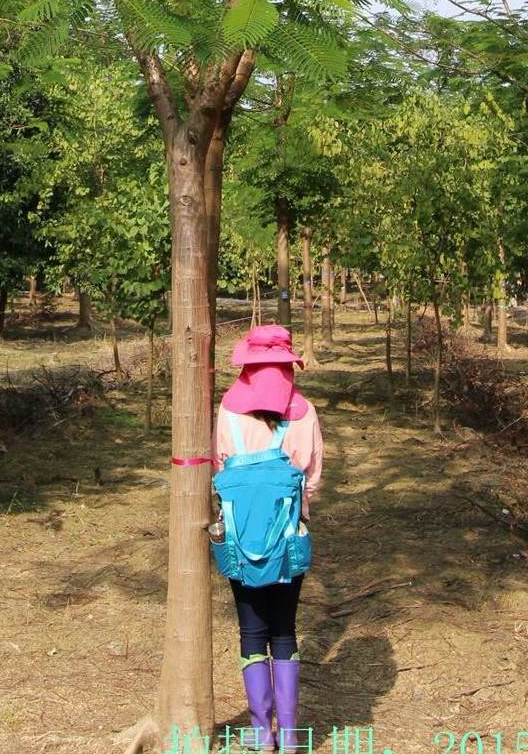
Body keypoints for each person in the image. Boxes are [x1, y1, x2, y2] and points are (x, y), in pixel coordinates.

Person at [212, 323, 324, 753]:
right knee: (285, 631)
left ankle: (263, 734)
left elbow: (220, 471)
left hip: (241, 539)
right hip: (291, 538)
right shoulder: (306, 411)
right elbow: (312, 476)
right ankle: (292, 734)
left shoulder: (228, 411)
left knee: (251, 632)